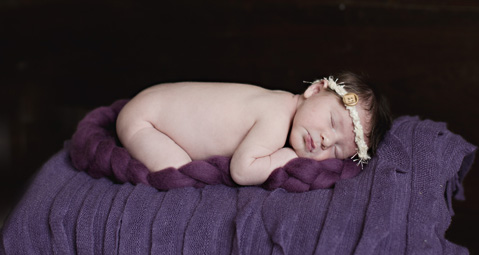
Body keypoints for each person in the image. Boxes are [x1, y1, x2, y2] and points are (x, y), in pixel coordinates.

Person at [116, 72, 392, 186]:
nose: (325, 140)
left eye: (337, 149)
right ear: (315, 90)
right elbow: (242, 170)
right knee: (180, 175)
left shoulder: (280, 101)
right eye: (332, 122)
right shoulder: (275, 117)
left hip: (155, 98)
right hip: (145, 122)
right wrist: (287, 158)